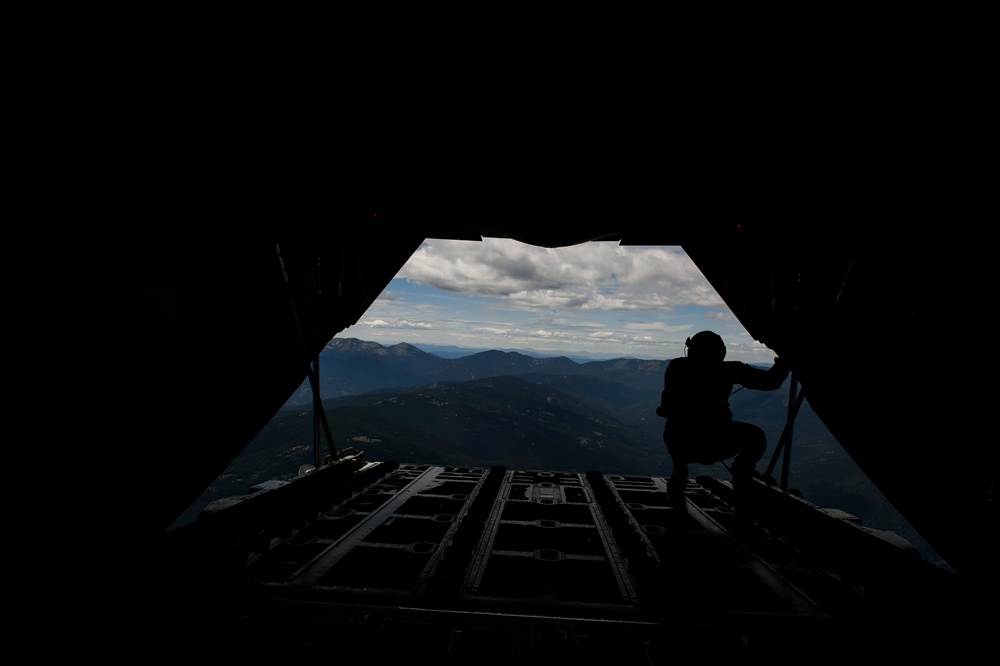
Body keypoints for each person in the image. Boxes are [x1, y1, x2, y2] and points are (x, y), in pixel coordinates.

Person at [656, 330, 790, 506]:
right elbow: (770, 382)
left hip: (679, 439)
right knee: (755, 437)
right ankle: (742, 476)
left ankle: (678, 476)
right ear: (720, 352)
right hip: (715, 438)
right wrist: (784, 364)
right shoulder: (729, 370)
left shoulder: (677, 367)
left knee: (679, 434)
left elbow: (669, 405)